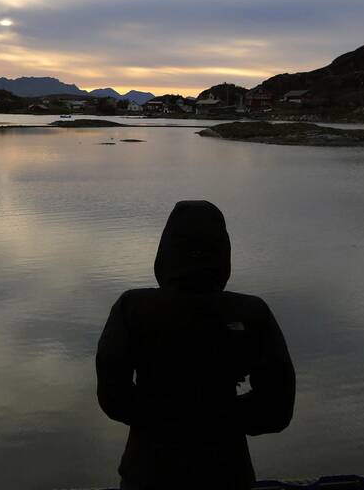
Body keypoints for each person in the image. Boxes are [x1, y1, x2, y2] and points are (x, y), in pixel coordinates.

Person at [96, 200, 295, 490]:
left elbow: (113, 396)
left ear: (165, 251)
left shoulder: (132, 308)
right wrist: (222, 414)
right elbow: (277, 409)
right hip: (227, 474)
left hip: (148, 473)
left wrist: (161, 415)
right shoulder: (251, 313)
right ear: (224, 253)